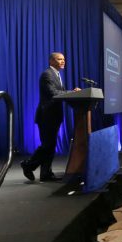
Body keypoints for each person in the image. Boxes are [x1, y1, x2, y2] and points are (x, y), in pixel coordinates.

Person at [21, 52, 80, 182]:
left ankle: (45, 174)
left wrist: (72, 94)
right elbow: (53, 93)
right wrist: (71, 92)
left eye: (64, 59)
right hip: (46, 116)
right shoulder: (47, 74)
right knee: (47, 145)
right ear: (51, 61)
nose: (63, 61)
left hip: (54, 116)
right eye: (60, 59)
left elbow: (59, 93)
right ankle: (28, 164)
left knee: (51, 145)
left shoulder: (57, 75)